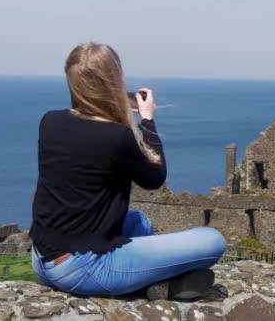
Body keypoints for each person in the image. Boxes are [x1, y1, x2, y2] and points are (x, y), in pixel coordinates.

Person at [29, 42, 227, 299]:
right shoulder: (116, 136)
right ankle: (158, 284)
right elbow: (155, 177)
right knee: (213, 240)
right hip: (82, 269)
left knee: (140, 221)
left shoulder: (50, 121)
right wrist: (147, 120)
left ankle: (150, 282)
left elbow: (85, 143)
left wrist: (111, 105)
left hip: (43, 260)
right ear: (113, 81)